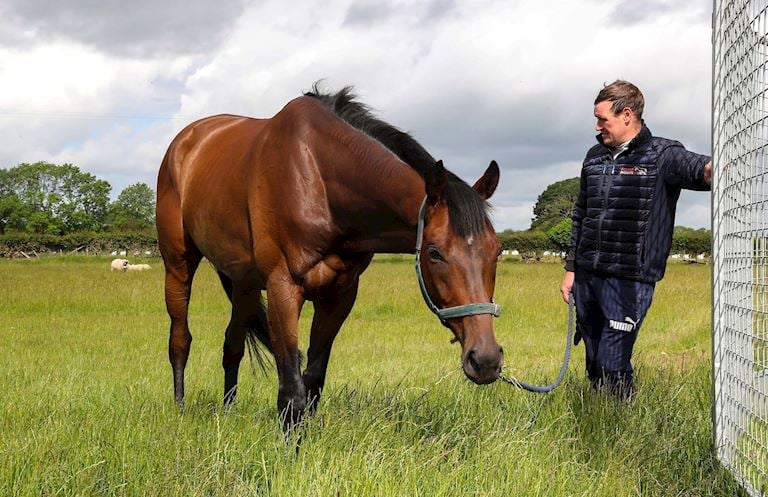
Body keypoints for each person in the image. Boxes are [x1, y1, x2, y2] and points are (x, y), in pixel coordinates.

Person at [560, 80, 712, 397]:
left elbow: (702, 170)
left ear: (627, 114)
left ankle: (618, 422)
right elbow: (581, 213)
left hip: (631, 279)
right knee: (593, 361)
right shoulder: (593, 156)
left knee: (612, 362)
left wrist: (723, 163)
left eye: (603, 119)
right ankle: (597, 418)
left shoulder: (664, 155)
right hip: (588, 275)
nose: (597, 126)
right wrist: (571, 269)